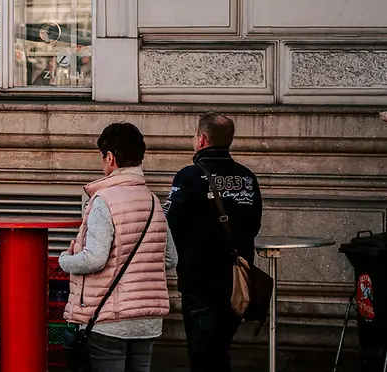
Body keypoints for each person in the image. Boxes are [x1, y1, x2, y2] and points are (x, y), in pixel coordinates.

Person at [58, 122, 177, 372]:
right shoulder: (153, 200)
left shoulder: (104, 200)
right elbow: (170, 259)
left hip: (109, 320)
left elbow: (95, 259)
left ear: (110, 158)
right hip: (147, 320)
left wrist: (65, 260)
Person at [166, 112, 263, 371]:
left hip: (200, 282)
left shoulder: (188, 176)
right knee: (220, 350)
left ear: (202, 139)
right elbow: (254, 225)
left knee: (202, 354)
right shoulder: (247, 177)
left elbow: (169, 226)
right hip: (237, 280)